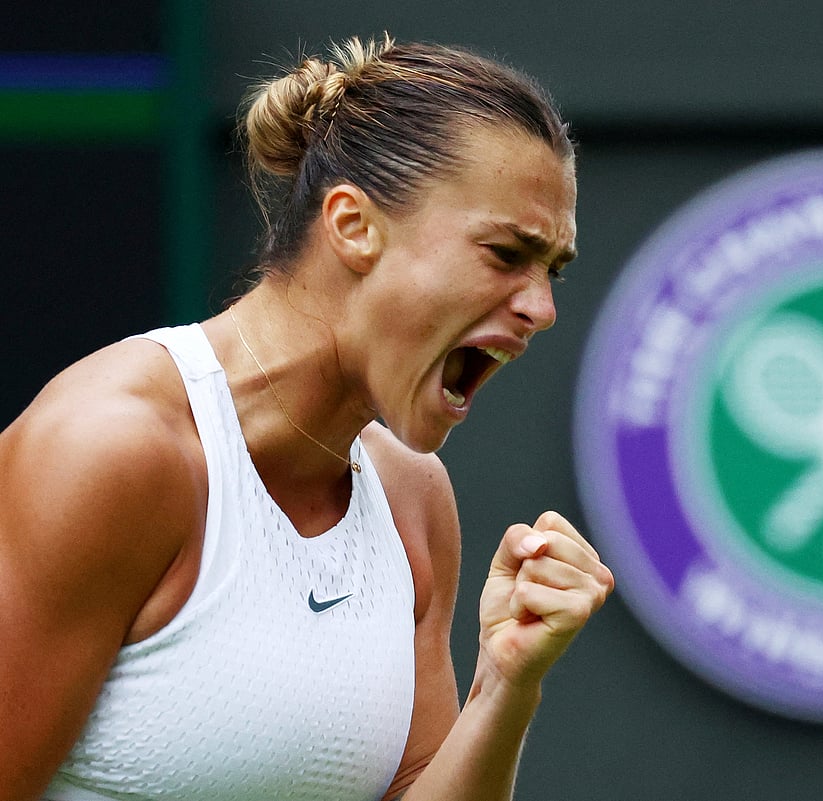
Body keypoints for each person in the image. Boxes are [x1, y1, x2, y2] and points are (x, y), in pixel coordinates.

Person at [0, 34, 614, 801]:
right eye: (505, 254)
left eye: (552, 270)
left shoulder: (414, 498)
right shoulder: (111, 451)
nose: (542, 308)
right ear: (353, 225)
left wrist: (505, 683)